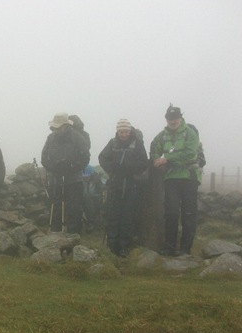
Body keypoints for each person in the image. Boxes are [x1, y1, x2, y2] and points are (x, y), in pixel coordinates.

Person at [150, 104, 201, 256]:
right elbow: (154, 148)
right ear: (166, 119)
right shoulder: (162, 135)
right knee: (171, 213)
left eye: (175, 118)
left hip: (189, 177)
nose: (172, 122)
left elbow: (191, 154)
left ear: (180, 118)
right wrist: (156, 160)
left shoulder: (190, 133)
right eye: (170, 119)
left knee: (189, 214)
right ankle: (169, 248)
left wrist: (167, 160)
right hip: (171, 178)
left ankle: (186, 249)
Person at [98, 119, 149, 257]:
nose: (124, 134)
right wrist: (113, 169)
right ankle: (112, 246)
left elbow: (144, 162)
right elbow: (102, 158)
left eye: (126, 131)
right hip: (115, 184)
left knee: (128, 216)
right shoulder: (112, 143)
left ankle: (124, 247)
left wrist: (129, 169)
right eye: (121, 131)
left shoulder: (137, 144)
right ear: (117, 131)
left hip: (131, 185)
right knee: (113, 215)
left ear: (130, 131)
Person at [41, 112, 90, 233]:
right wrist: (54, 167)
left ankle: (74, 236)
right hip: (56, 178)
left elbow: (85, 157)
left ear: (66, 125)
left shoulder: (77, 137)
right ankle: (56, 234)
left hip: (73, 180)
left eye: (59, 127)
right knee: (56, 206)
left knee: (74, 208)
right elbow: (44, 158)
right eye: (55, 127)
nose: (56, 129)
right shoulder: (51, 138)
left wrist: (72, 167)